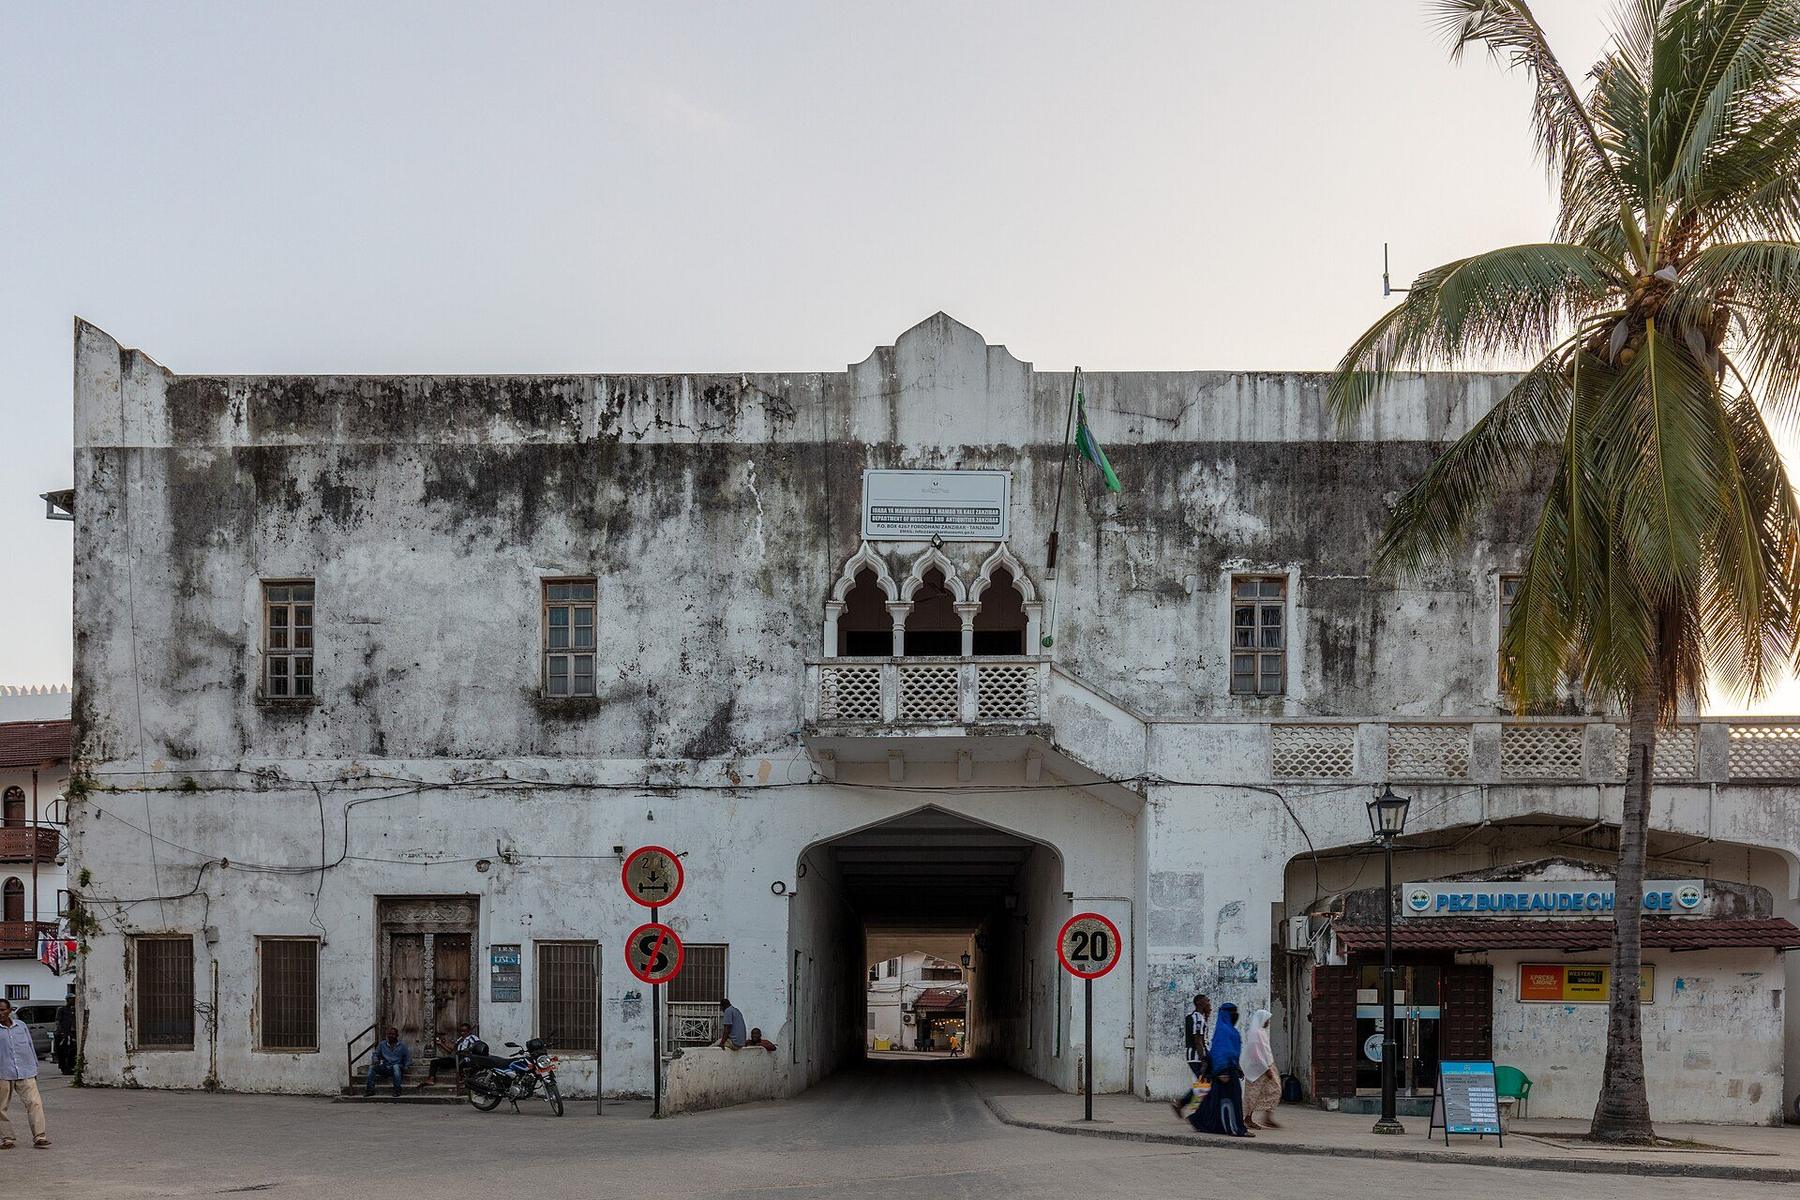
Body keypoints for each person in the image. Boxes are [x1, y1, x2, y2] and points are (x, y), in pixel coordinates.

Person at [1187, 1001, 1250, 1137]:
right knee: (1231, 1099)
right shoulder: (1224, 1031)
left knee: (1213, 1098)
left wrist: (1237, 1066)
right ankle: (1234, 1128)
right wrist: (1223, 1071)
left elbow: (1232, 1051)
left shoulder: (1228, 1030)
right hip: (1224, 1071)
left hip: (1228, 1069)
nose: (1235, 1015)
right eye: (1232, 1013)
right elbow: (1222, 1052)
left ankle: (1202, 1121)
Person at [0, 997, 49, 1149]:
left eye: (2, 1010)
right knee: (1, 1108)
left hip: (26, 1071)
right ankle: (7, 1138)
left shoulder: (21, 1026)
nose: (0, 1013)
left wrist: (34, 1067)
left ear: (9, 1011)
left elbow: (29, 1046)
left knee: (35, 1103)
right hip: (3, 1073)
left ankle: (40, 1136)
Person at [1170, 993, 1212, 1118]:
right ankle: (1195, 1110)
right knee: (1204, 1082)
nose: (1209, 1004)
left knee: (1203, 1083)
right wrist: (1203, 1058)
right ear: (1199, 1003)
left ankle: (1183, 1104)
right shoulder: (1197, 1018)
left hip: (1195, 1055)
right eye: (1207, 1002)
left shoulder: (1197, 1017)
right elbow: (1198, 1040)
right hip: (1196, 1056)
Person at [1241, 1008, 1281, 1130]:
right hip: (1258, 1068)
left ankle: (1267, 1117)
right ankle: (1248, 1118)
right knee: (1253, 1094)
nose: (1268, 1022)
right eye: (1267, 1019)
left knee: (1274, 1090)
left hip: (1267, 1065)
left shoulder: (1261, 1032)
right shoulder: (1256, 1033)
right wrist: (1265, 1068)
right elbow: (1256, 1053)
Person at [425, 1022, 477, 1090]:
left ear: (469, 1031)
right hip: (456, 1059)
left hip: (465, 1060)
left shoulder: (473, 1039)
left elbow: (477, 1047)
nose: (462, 1033)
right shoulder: (460, 1040)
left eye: (464, 1031)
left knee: (461, 1063)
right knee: (434, 1062)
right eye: (461, 1031)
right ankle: (431, 1079)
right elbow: (450, 1051)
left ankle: (463, 1081)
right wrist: (441, 1044)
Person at [364, 1027, 411, 1097]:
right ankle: (370, 1090)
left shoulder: (402, 1046)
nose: (391, 1036)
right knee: (372, 1067)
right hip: (385, 1066)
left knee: (395, 1066)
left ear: (397, 1035)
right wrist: (376, 1060)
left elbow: (408, 1057)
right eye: (389, 1034)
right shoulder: (382, 1044)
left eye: (393, 1034)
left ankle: (397, 1090)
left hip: (396, 1067)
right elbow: (375, 1054)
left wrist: (406, 1066)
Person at [53, 1001, 76, 1075]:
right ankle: (64, 1068)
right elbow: (58, 1022)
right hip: (62, 1034)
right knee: (62, 1052)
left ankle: (70, 1067)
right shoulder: (62, 1010)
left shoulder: (74, 1010)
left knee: (71, 1052)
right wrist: (62, 1033)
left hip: (70, 1034)